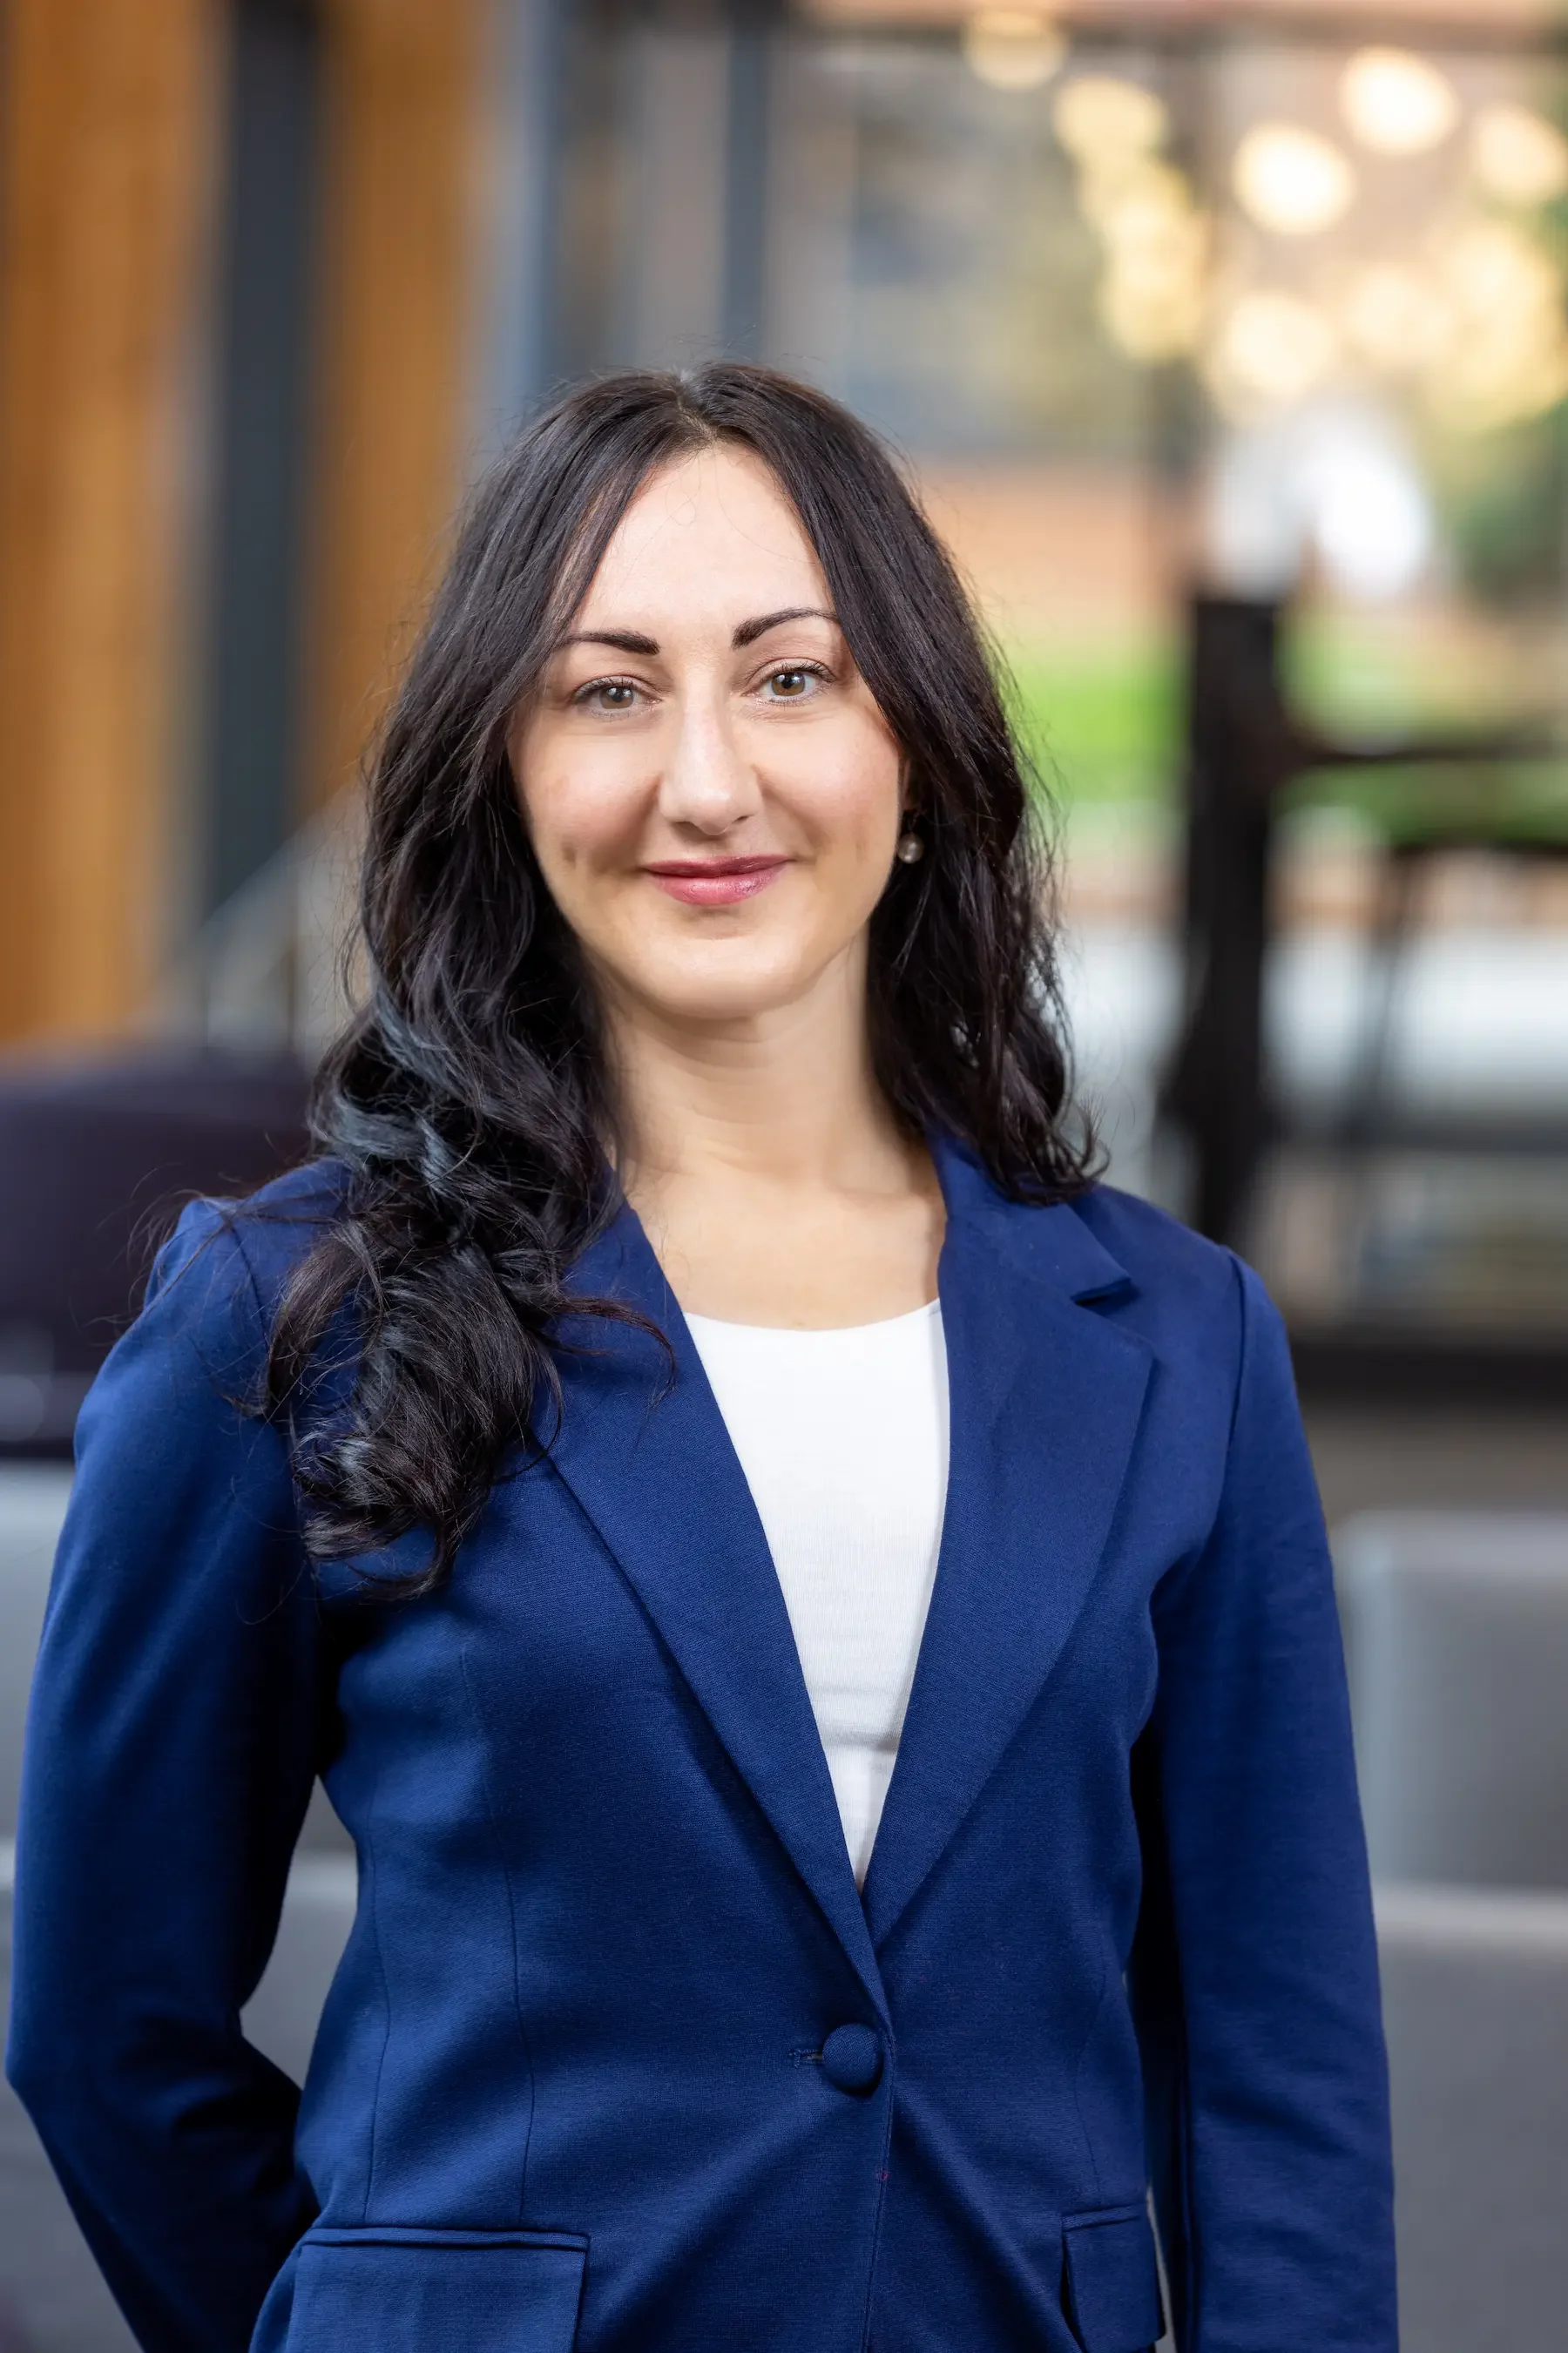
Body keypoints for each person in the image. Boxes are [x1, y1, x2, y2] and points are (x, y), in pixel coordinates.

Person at [7, 362, 1396, 2353]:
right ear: (506, 770)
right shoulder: (289, 1310)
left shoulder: (1180, 1340)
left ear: (914, 752)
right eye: (608, 688)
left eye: (791, 678)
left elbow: (1285, 2077)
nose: (710, 780)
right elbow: (103, 2023)